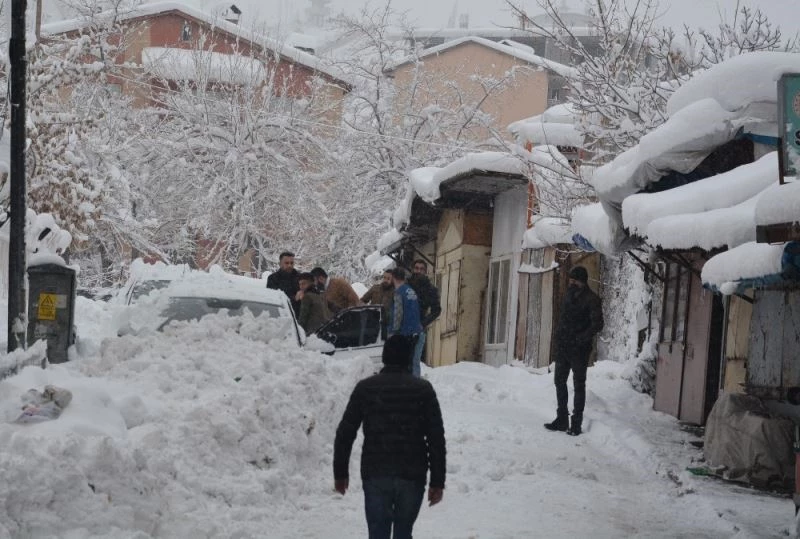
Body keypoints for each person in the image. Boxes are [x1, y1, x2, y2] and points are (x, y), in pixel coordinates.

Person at [333, 335, 446, 539]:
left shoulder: (365, 389)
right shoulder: (423, 390)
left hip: (376, 474)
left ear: (385, 357)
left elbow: (345, 433)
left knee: (378, 534)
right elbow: (436, 439)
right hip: (412, 475)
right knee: (404, 533)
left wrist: (340, 473)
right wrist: (437, 482)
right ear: (408, 359)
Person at [544, 266, 604, 436]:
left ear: (582, 281)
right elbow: (563, 317)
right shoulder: (568, 295)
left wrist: (581, 339)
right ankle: (562, 419)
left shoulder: (592, 299)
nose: (571, 283)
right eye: (570, 281)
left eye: (574, 281)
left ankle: (576, 424)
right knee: (559, 381)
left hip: (579, 349)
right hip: (563, 346)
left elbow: (598, 324)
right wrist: (559, 336)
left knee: (579, 385)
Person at [408, 260, 441, 378]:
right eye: (417, 268)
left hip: (418, 329)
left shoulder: (430, 289)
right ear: (413, 269)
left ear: (426, 271)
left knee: (414, 360)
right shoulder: (406, 286)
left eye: (422, 269)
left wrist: (423, 323)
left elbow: (437, 310)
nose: (419, 271)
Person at [387, 268, 422, 347]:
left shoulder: (399, 292)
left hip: (404, 333)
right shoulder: (410, 290)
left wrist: (393, 332)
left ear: (393, 277)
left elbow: (398, 313)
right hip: (415, 331)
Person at [361, 269, 395, 339]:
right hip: (371, 324)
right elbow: (362, 301)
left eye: (388, 278)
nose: (385, 280)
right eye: (384, 277)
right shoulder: (375, 288)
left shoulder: (395, 292)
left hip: (386, 326)